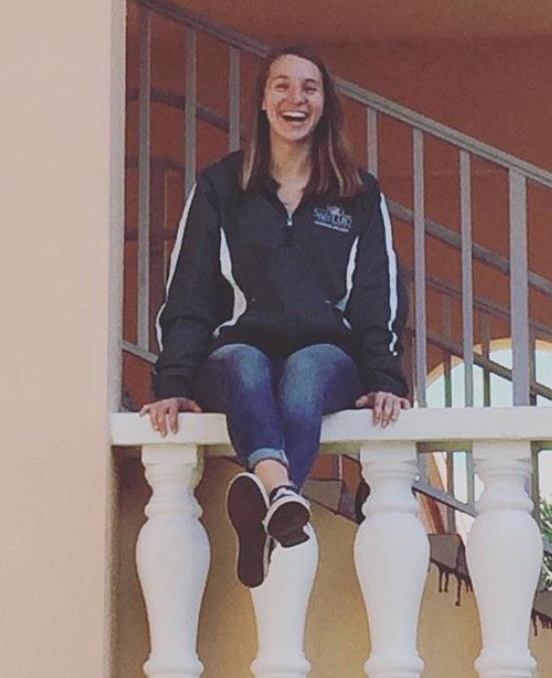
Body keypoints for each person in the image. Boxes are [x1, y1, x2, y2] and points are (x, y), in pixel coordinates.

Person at [140, 46, 410, 588]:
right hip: (239, 349)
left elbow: (376, 296)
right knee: (244, 364)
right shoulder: (222, 187)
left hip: (328, 356)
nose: (295, 98)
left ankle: (267, 495)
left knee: (306, 370)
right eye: (282, 85)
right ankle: (280, 494)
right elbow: (189, 291)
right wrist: (172, 380)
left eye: (309, 88)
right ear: (263, 101)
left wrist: (383, 378)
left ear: (324, 104)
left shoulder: (357, 193)